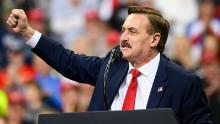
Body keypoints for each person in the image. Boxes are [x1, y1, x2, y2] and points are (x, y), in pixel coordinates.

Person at [6, 6, 212, 124]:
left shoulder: (184, 83)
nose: (123, 37)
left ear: (154, 39)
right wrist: (27, 32)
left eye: (132, 31)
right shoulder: (111, 66)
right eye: (123, 30)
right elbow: (67, 61)